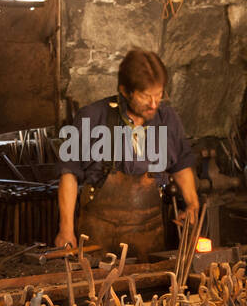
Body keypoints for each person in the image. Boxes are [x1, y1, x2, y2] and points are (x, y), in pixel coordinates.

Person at [55, 49, 198, 261]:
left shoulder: (167, 119)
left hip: (150, 235)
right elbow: (69, 174)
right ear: (125, 90)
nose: (153, 104)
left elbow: (181, 165)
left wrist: (192, 204)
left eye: (158, 94)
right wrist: (66, 229)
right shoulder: (92, 117)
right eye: (145, 96)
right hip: (97, 233)